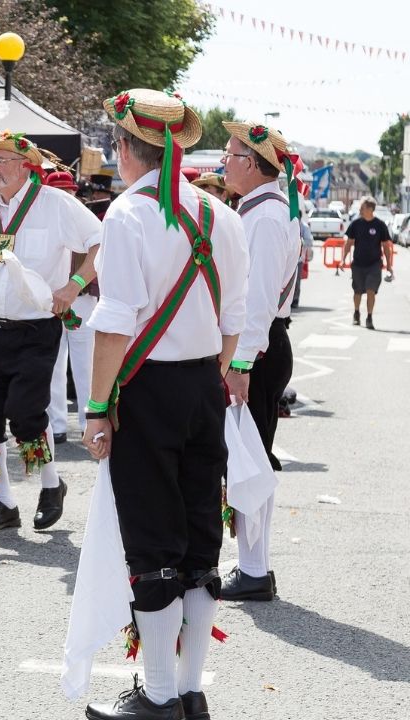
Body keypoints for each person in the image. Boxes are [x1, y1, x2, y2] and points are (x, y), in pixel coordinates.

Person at [80, 89, 248, 720]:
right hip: (205, 384)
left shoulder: (127, 213)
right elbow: (235, 319)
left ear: (127, 149)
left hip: (148, 389)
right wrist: (215, 371)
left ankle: (156, 696)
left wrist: (99, 405)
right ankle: (190, 688)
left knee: (152, 544)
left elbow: (116, 320)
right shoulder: (219, 214)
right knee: (201, 542)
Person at [0, 131, 102, 534]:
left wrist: (73, 286)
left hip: (38, 329)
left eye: (1, 159)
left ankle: (51, 485)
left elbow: (103, 240)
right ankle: (5, 502)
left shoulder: (55, 204)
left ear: (25, 164)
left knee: (27, 412)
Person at [218, 121, 303, 604]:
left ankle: (254, 570)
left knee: (249, 460)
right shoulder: (260, 210)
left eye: (229, 156)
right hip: (259, 349)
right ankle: (254, 566)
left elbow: (257, 300)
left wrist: (241, 363)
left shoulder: (265, 217)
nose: (222, 164)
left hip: (260, 350)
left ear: (252, 164)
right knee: (247, 457)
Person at [42, 171, 99, 446]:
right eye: (61, 191)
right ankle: (57, 423)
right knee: (53, 362)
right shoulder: (43, 220)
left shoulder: (86, 219)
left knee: (85, 363)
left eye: (70, 190)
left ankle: (89, 420)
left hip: (83, 298)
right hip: (51, 299)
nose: (67, 196)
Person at [342, 196, 394, 329]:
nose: (360, 209)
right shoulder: (356, 224)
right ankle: (356, 312)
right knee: (357, 291)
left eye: (362, 207)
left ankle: (369, 317)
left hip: (374, 265)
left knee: (371, 290)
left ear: (370, 209)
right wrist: (343, 259)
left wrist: (389, 266)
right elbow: (349, 243)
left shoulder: (380, 225)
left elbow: (386, 247)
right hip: (358, 264)